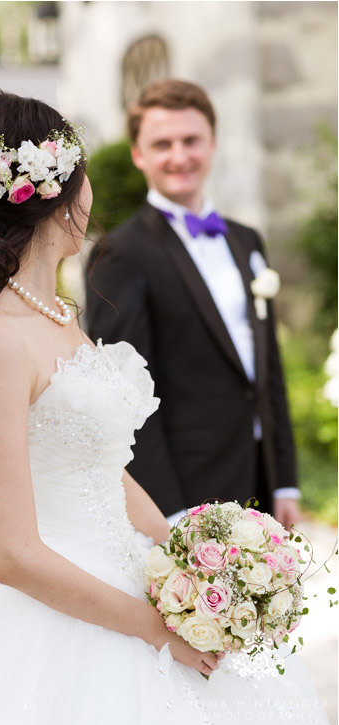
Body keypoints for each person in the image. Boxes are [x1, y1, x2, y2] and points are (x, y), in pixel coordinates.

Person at [0, 91, 327, 725]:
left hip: (135, 567)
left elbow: (105, 464)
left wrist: (200, 555)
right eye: (85, 178)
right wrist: (158, 632)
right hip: (64, 608)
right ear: (63, 192)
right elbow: (13, 554)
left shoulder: (60, 314)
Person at [85, 79, 300, 528]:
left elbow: (268, 366)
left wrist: (285, 483)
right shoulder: (119, 254)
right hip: (187, 488)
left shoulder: (245, 239)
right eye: (162, 144)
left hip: (262, 473)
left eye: (191, 140)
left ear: (212, 144)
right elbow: (124, 395)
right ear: (138, 154)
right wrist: (170, 513)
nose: (180, 156)